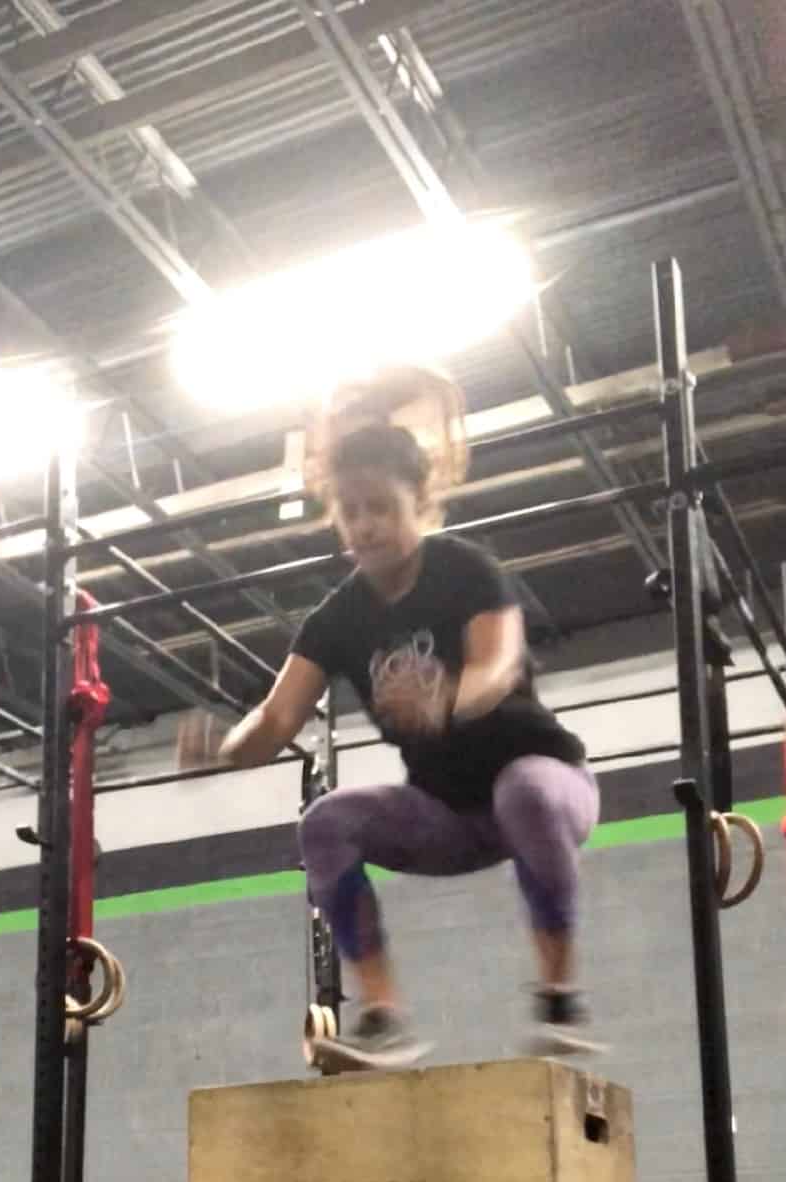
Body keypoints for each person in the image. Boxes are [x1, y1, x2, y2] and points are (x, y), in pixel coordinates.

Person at [178, 419, 601, 1068]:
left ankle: (559, 998)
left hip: (551, 788)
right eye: (350, 511)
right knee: (326, 821)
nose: (365, 525)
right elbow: (275, 718)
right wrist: (223, 749)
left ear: (419, 505)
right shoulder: (337, 618)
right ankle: (383, 1016)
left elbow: (496, 667)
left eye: (381, 507)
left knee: (524, 791)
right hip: (447, 815)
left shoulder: (465, 570)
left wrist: (444, 699)